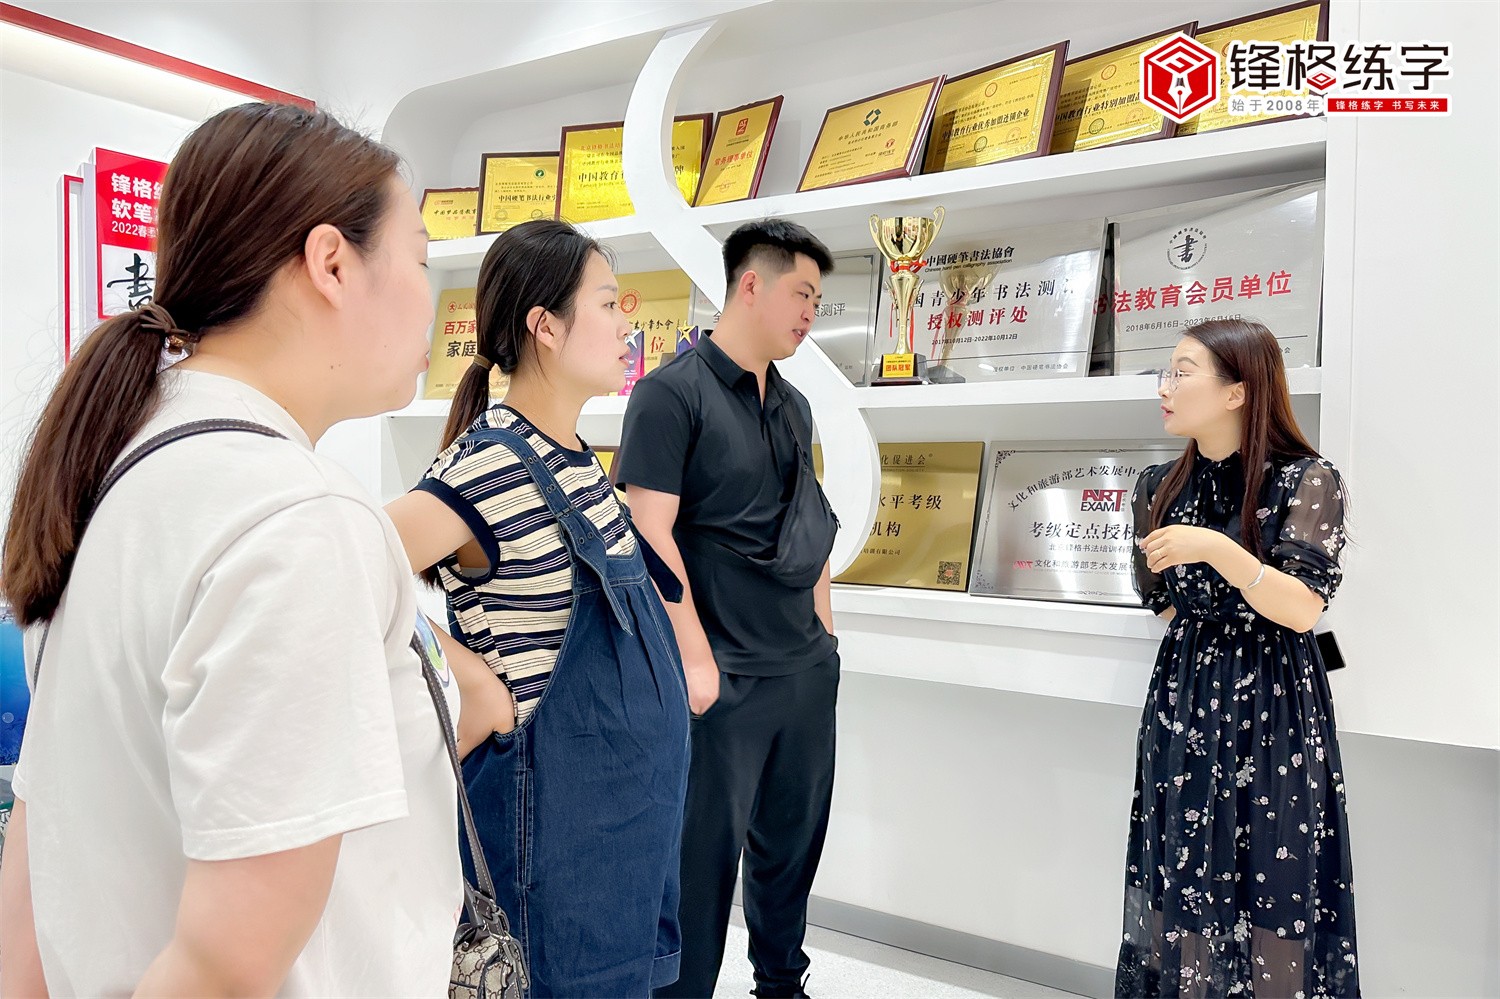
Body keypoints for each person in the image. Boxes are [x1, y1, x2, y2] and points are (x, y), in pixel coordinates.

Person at [0, 103, 465, 996]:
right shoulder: (299, 518)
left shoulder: (119, 465)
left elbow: (41, 832)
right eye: (418, 257)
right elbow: (228, 964)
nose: (433, 295)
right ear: (332, 263)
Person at [383, 218, 691, 998]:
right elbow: (346, 569)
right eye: (609, 304)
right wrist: (471, 682)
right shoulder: (485, 466)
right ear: (545, 327)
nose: (628, 325)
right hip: (547, 849)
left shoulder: (579, 458)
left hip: (625, 840)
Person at [619, 219, 841, 999]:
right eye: (802, 293)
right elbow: (649, 533)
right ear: (752, 284)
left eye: (817, 299)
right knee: (698, 869)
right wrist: (695, 659)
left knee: (791, 854)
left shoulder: (796, 406)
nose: (810, 311)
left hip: (802, 671)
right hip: (721, 678)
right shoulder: (668, 394)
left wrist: (827, 639)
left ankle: (782, 985)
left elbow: (810, 524)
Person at [1116, 319, 1360, 996]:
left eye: (1182, 372)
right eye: (1166, 372)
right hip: (1186, 697)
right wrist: (1210, 639)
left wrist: (1218, 550)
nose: (1165, 387)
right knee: (1181, 864)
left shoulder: (1308, 479)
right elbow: (1159, 598)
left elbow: (1304, 608)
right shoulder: (1157, 485)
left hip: (1275, 702)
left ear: (1237, 391)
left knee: (1275, 871)